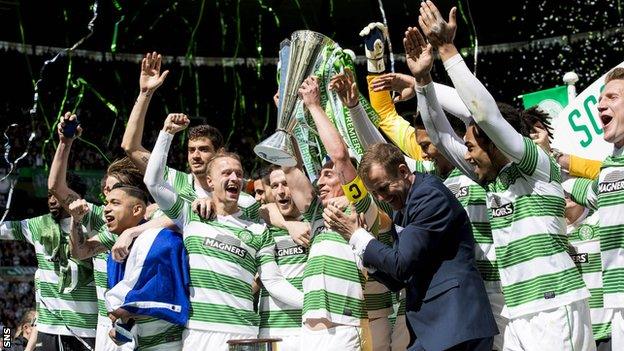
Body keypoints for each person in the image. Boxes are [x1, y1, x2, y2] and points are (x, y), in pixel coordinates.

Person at [415, 1, 594, 349]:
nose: (466, 153)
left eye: (471, 146)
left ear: (493, 144)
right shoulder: (492, 179)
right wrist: (423, 82)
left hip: (554, 308)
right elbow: (439, 136)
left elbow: (487, 116)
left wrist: (448, 50)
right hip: (517, 313)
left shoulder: (536, 165)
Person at [144, 113, 303, 351]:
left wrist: (314, 303)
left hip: (244, 335)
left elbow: (274, 281)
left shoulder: (258, 231)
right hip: (200, 332)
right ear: (209, 181)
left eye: (238, 173)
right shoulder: (191, 215)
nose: (234, 178)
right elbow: (153, 182)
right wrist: (166, 133)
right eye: (226, 173)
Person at [325, 141, 497, 351]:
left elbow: (401, 264)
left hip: (456, 323)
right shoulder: (401, 206)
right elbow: (400, 278)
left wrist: (358, 236)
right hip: (432, 330)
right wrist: (368, 260)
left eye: (383, 188)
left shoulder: (429, 195)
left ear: (403, 171)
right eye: (374, 193)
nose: (381, 198)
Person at [281, 75, 389, 351]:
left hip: (345, 327)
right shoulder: (317, 213)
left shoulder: (363, 208)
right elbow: (290, 168)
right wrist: (285, 118)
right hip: (309, 327)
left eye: (327, 175)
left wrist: (314, 106)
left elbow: (339, 156)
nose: (319, 181)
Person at [120, 52, 260, 221]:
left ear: (220, 153)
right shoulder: (173, 180)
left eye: (203, 149)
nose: (195, 156)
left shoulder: (240, 186)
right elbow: (130, 147)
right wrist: (145, 93)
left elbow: (271, 210)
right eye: (191, 150)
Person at [68, 184, 189, 351]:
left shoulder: (161, 239)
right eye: (106, 203)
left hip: (171, 344)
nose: (106, 209)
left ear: (137, 209)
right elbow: (79, 252)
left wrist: (121, 309)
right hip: (143, 344)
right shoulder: (115, 254)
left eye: (115, 203)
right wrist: (76, 219)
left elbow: (121, 306)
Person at [1, 173, 98, 351]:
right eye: (49, 195)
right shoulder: (8, 334)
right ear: (25, 328)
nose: (51, 200)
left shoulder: (95, 220)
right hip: (51, 330)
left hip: (88, 328)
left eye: (57, 195)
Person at [565, 66, 624, 349]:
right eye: (601, 98)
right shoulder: (611, 167)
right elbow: (588, 192)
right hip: (617, 304)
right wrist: (549, 167)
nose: (600, 104)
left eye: (612, 97)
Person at [257, 167, 307, 351]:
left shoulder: (317, 223)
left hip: (312, 329)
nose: (280, 191)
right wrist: (289, 226)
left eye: (285, 184)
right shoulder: (262, 228)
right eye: (274, 185)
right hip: (273, 331)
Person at [562, 180, 613, 350]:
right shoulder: (554, 230)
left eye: (572, 190)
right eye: (563, 191)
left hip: (607, 328)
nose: (567, 194)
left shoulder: (601, 220)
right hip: (575, 332)